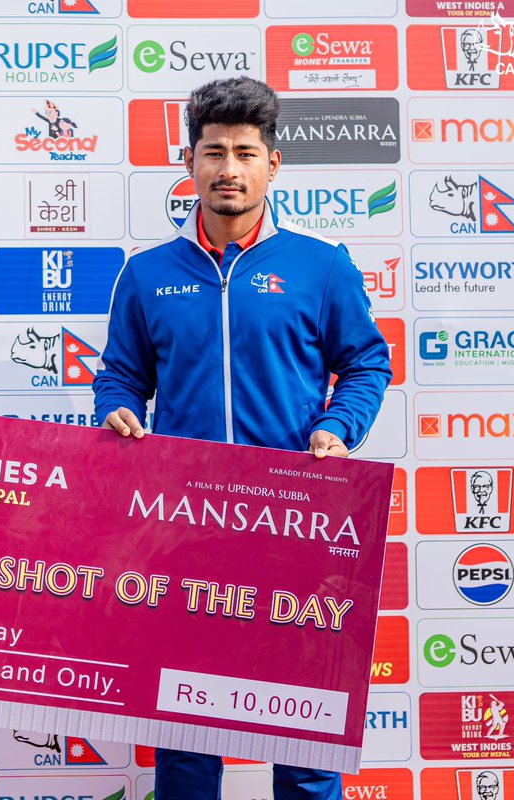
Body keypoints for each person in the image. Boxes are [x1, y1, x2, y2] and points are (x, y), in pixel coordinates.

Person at [92, 77, 391, 800]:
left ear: (273, 164)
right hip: (184, 535)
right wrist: (117, 409)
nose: (230, 168)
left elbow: (366, 362)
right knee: (187, 740)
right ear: (190, 162)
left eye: (246, 153)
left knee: (304, 738)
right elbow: (119, 376)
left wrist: (335, 428)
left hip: (297, 529)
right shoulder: (147, 275)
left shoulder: (321, 267)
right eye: (214, 152)